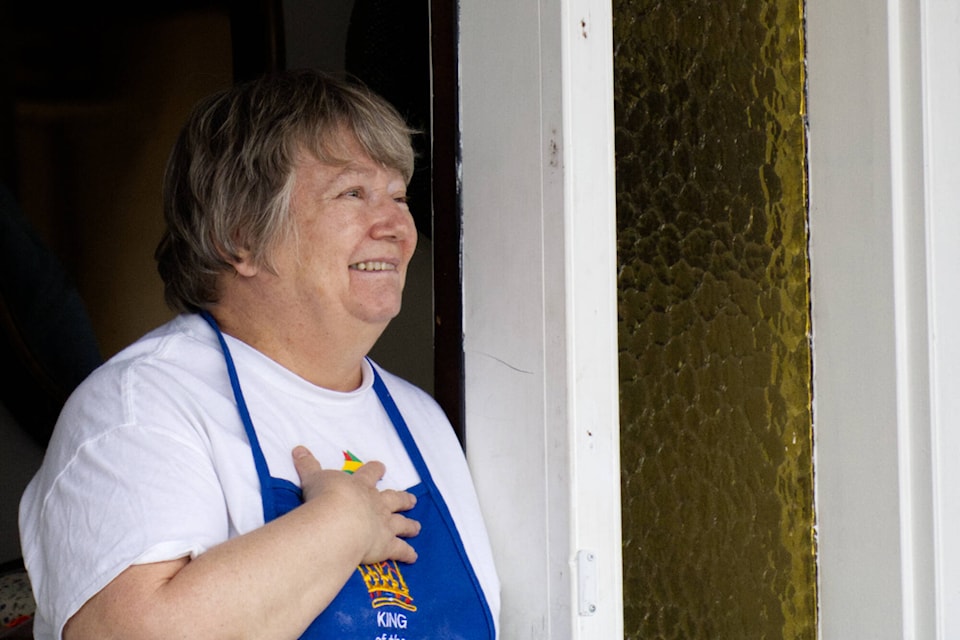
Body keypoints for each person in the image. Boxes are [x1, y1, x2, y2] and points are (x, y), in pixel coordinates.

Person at [18, 69, 500, 640]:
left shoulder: (423, 421)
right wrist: (342, 524)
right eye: (353, 193)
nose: (397, 225)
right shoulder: (139, 409)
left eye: (398, 196)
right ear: (239, 237)